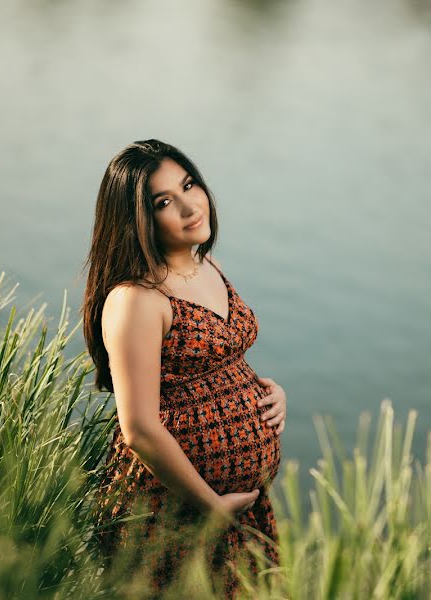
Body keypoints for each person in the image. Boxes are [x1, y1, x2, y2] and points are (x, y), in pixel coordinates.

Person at [82, 139, 287, 597]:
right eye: (163, 202)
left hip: (240, 507)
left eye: (189, 185)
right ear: (138, 219)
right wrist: (210, 504)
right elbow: (138, 428)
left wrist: (267, 393)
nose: (190, 205)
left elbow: (223, 359)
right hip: (173, 510)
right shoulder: (136, 298)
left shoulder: (204, 263)